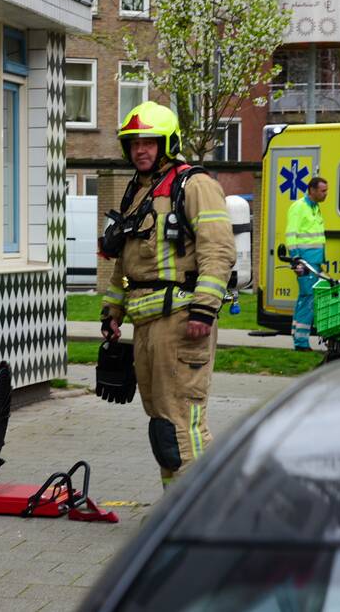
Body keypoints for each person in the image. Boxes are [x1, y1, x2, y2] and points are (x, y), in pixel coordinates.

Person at [100, 101, 236, 489]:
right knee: (162, 424)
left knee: (182, 421)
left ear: (167, 143)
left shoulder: (194, 185)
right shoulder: (138, 193)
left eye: (150, 142)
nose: (140, 150)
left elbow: (218, 249)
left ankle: (198, 516)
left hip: (181, 323)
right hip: (146, 324)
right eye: (134, 143)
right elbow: (126, 262)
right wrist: (113, 310)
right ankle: (176, 510)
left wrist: (204, 310)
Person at [284, 177, 328, 352]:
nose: (326, 194)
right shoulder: (299, 207)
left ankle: (298, 336)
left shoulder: (315, 208)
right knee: (309, 298)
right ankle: (301, 343)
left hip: (314, 262)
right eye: (323, 191)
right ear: (312, 190)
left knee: (305, 298)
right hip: (305, 262)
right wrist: (296, 259)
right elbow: (291, 234)